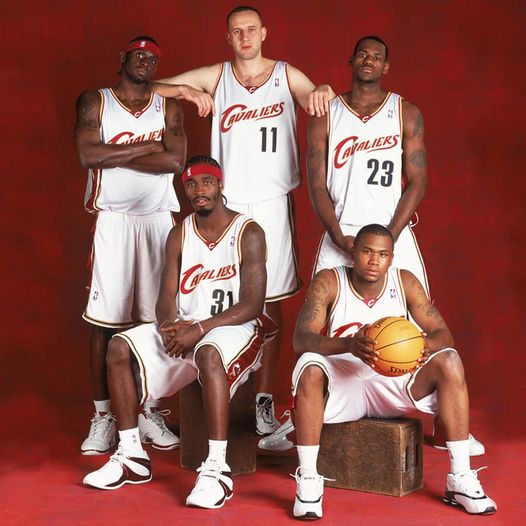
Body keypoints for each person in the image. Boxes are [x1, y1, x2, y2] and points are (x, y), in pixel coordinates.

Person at [260, 35, 482, 454]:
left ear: (386, 67)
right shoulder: (327, 114)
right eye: (363, 54)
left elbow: (418, 180)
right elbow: (316, 182)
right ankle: (306, 413)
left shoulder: (405, 112)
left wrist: (391, 236)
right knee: (322, 324)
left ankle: (448, 424)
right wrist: (335, 234)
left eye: (377, 57)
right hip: (341, 231)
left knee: (418, 323)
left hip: (392, 233)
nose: (369, 60)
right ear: (351, 60)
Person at [151, 5, 334, 435]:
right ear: (228, 38)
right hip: (226, 204)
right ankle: (213, 397)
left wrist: (324, 88)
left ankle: (263, 401)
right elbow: (151, 88)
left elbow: (316, 97)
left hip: (271, 201)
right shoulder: (217, 76)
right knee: (208, 294)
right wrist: (186, 91)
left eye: (251, 29)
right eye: (237, 31)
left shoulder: (286, 75)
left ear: (264, 33)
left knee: (270, 303)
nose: (245, 37)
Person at [83, 156, 275, 509]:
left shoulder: (249, 232)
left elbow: (253, 304)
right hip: (188, 325)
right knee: (120, 347)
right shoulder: (179, 233)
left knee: (208, 352)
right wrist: (168, 328)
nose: (199, 190)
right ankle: (131, 455)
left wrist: (199, 329)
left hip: (236, 327)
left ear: (220, 185)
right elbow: (165, 297)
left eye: (207, 182)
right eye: (190, 184)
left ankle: (217, 469)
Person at [290, 224, 496, 519]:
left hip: (394, 382)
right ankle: (309, 478)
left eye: (382, 254)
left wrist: (423, 346)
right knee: (309, 364)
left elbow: (444, 335)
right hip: (344, 381)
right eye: (367, 251)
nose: (374, 260)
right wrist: (349, 344)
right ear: (353, 252)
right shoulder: (329, 281)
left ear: (391, 257)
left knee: (449, 359)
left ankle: (460, 477)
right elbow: (301, 339)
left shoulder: (405, 282)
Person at [74, 36, 187, 455]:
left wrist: (114, 152)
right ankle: (103, 415)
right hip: (114, 220)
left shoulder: (168, 107)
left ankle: (147, 410)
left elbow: (174, 161)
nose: (145, 61)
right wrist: (147, 147)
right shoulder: (96, 101)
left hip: (157, 220)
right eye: (139, 54)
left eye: (153, 58)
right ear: (123, 58)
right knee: (106, 322)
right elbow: (87, 154)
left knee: (156, 320)